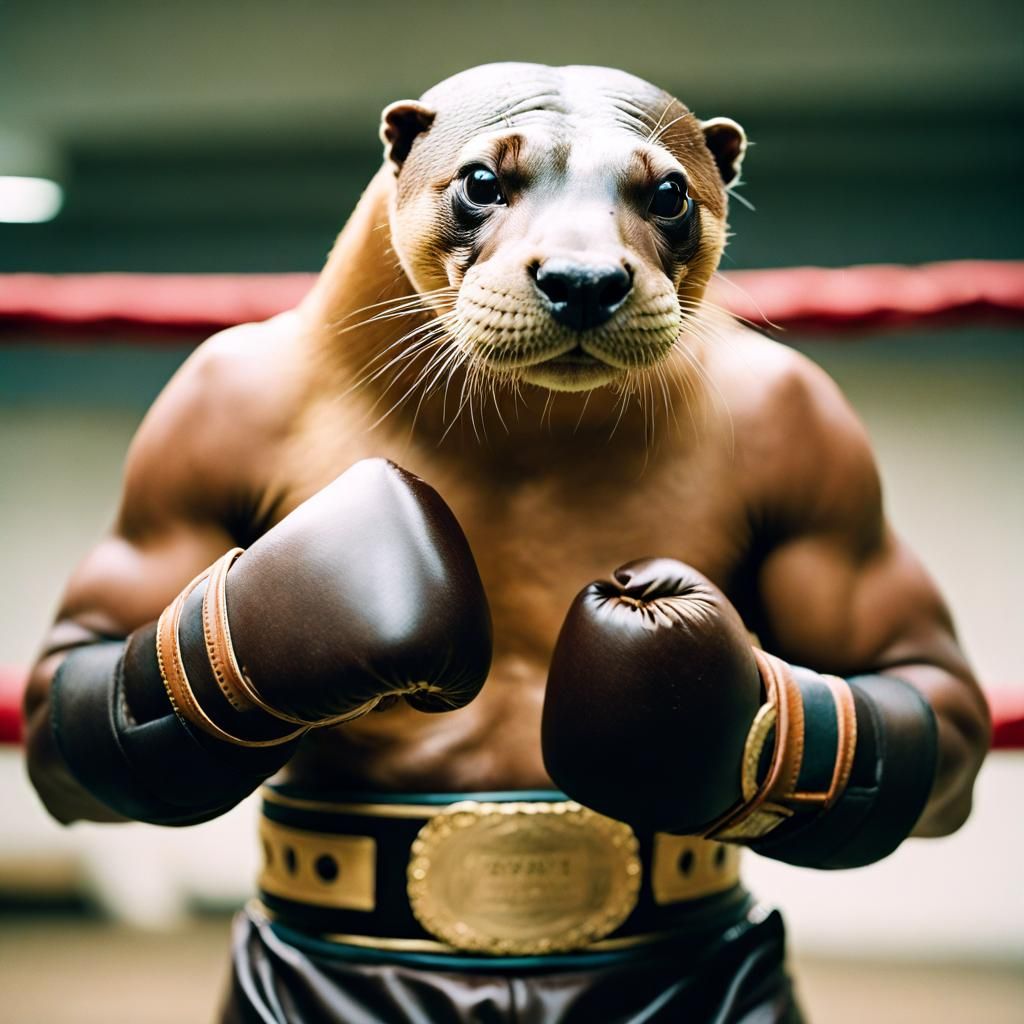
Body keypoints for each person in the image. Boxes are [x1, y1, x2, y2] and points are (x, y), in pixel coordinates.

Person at [23, 64, 989, 1023]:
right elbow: (62, 765)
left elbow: (946, 761)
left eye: (662, 201)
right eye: (486, 187)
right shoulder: (244, 399)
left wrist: (770, 740)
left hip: (689, 978)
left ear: (721, 187)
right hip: (328, 975)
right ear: (402, 158)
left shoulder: (772, 412)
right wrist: (236, 656)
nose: (586, 267)